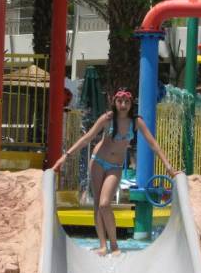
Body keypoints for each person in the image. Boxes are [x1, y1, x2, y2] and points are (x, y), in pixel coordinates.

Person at [52, 89, 179, 256]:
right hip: (97, 162)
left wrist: (169, 167)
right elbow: (87, 138)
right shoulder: (107, 119)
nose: (123, 105)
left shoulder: (136, 122)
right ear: (114, 102)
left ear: (131, 103)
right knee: (98, 205)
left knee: (105, 204)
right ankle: (102, 245)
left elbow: (153, 144)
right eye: (120, 101)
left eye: (127, 102)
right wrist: (65, 157)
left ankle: (114, 244)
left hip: (115, 167)